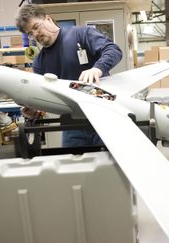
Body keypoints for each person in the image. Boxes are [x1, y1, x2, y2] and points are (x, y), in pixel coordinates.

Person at [15, 4, 122, 147]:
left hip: (104, 118)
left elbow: (113, 50)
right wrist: (34, 110)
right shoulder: (40, 63)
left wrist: (97, 69)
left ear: (48, 19)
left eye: (36, 27)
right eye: (30, 33)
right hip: (72, 126)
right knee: (73, 166)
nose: (35, 35)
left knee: (111, 166)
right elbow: (43, 96)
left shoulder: (81, 34)